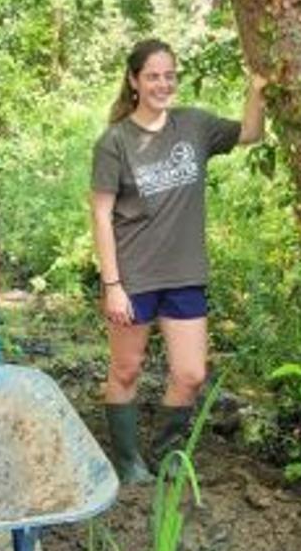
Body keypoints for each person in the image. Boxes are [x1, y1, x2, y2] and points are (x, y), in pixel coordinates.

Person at [88, 38, 267, 483]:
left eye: (169, 75)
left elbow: (250, 133)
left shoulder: (195, 125)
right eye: (153, 76)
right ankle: (128, 463)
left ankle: (166, 454)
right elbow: (101, 213)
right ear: (133, 80)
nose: (162, 84)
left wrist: (258, 89)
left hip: (185, 273)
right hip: (134, 276)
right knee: (126, 369)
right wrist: (112, 285)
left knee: (189, 373)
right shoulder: (115, 142)